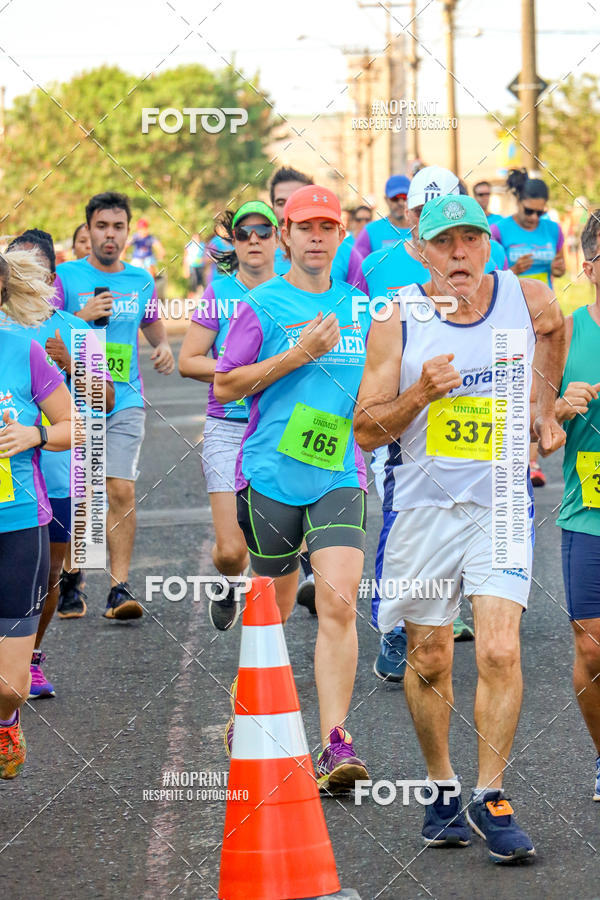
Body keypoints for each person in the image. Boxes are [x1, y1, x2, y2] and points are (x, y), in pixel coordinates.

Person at [354, 193, 565, 862]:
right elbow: (364, 428)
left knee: (500, 649)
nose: (460, 254)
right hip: (420, 509)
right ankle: (441, 785)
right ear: (423, 249)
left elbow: (557, 327)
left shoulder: (523, 300)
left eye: (472, 240)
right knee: (432, 656)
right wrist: (420, 395)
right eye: (445, 243)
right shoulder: (397, 319)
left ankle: (492, 793)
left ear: (487, 244)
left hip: (501, 499)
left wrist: (543, 408)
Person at [214, 185, 371, 792]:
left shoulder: (360, 306)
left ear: (338, 236)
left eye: (326, 227)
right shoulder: (263, 303)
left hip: (338, 471)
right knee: (273, 610)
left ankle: (335, 741)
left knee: (338, 600)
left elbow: (380, 384)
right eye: (303, 226)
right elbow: (227, 386)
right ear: (285, 235)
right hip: (272, 475)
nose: (315, 236)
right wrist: (299, 354)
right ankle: (246, 706)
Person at [54, 191, 175, 619]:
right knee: (79, 494)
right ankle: (70, 576)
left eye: (118, 227)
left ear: (128, 230)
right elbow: (43, 332)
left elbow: (152, 321)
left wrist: (162, 347)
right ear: (87, 230)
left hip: (124, 398)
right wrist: (81, 316)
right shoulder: (65, 278)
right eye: (101, 226)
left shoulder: (141, 279)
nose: (110, 235)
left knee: (120, 488)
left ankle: (119, 588)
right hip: (74, 399)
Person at [6, 230, 115, 696]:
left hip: (62, 472)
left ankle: (27, 656)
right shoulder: (8, 329)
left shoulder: (75, 330)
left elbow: (104, 401)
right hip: (20, 478)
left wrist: (73, 364)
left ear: (49, 278)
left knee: (49, 574)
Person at [178, 201, 278, 630]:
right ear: (233, 243)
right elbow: (188, 359)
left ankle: (308, 569)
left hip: (281, 427)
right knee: (233, 551)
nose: (253, 239)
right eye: (243, 233)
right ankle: (228, 582)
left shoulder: (299, 289)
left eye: (263, 231)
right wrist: (238, 374)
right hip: (228, 427)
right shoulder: (221, 292)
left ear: (280, 238)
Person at [0, 249, 73, 778]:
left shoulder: (24, 354)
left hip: (17, 524)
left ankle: (5, 722)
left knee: (11, 686)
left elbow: (73, 425)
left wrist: (36, 434)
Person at [555, 210, 600, 802]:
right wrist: (560, 408)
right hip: (587, 504)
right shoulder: (565, 334)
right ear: (590, 268)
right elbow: (533, 431)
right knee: (591, 644)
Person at [492, 168, 566, 488]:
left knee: (538, 389)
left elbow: (561, 266)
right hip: (512, 312)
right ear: (518, 202)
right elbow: (490, 272)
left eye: (541, 211)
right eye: (529, 210)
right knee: (515, 385)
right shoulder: (499, 230)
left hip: (545, 316)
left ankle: (531, 462)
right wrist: (512, 269)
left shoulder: (553, 230)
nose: (535, 217)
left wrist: (558, 266)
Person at [346, 173, 411, 285]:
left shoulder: (422, 229)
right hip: (383, 299)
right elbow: (357, 273)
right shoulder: (370, 231)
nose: (400, 203)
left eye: (405, 198)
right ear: (386, 199)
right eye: (395, 198)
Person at [269, 166, 313, 276]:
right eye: (280, 203)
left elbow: (358, 293)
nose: (287, 210)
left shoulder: (343, 254)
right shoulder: (255, 254)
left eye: (296, 201)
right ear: (273, 207)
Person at [331, 205, 372, 284]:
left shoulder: (374, 243)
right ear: (353, 221)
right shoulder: (344, 244)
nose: (363, 223)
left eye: (367, 219)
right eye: (359, 220)